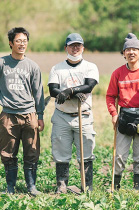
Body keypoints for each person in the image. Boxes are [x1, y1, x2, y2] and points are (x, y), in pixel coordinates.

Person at [48, 33, 99, 193]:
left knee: (86, 152)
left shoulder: (90, 67)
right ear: (66, 48)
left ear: (83, 47)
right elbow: (53, 90)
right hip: (62, 115)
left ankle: (87, 186)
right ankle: (62, 186)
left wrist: (69, 91)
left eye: (78, 45)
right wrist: (76, 92)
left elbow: (89, 86)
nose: (75, 48)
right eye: (72, 45)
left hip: (83, 115)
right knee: (61, 152)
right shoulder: (57, 68)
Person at [106, 33, 139, 192]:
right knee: (120, 155)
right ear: (123, 53)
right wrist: (114, 114)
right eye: (128, 49)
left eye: (135, 49)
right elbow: (110, 96)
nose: (131, 52)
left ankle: (137, 188)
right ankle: (116, 186)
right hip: (124, 116)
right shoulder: (118, 73)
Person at [0, 27, 45, 196]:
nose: (22, 44)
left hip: (29, 115)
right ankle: (10, 187)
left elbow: (38, 92)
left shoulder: (32, 66)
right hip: (8, 115)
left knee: (32, 151)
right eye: (18, 41)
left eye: (24, 41)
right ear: (11, 43)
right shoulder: (2, 63)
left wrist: (40, 116)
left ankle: (31, 187)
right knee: (8, 152)